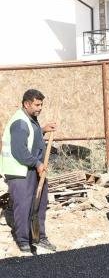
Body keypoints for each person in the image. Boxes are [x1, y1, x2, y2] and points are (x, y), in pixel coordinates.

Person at [0, 89, 58, 256]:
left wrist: (44, 129)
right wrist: (37, 163)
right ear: (27, 104)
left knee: (39, 204)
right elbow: (19, 150)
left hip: (32, 170)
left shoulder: (30, 119)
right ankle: (24, 241)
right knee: (23, 207)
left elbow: (31, 137)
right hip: (20, 172)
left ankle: (39, 237)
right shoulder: (19, 123)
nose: (40, 108)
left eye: (41, 104)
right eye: (37, 104)